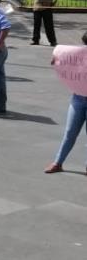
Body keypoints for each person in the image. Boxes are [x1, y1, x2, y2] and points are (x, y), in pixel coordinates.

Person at [45, 31, 87, 174]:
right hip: (78, 98)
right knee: (70, 132)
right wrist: (58, 61)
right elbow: (66, 60)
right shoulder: (79, 55)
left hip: (79, 97)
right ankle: (58, 162)